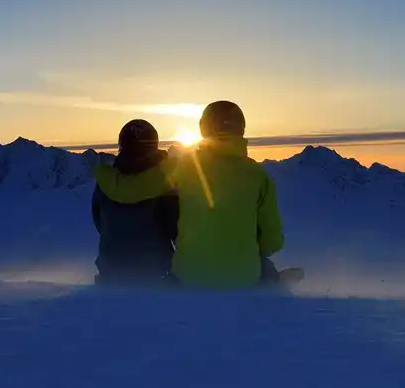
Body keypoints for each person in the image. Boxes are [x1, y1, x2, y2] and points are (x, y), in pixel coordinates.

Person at [92, 100, 286, 290]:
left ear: (204, 128)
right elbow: (273, 241)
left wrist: (103, 173)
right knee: (261, 263)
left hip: (188, 277)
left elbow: (130, 191)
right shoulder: (258, 176)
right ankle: (274, 280)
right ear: (241, 129)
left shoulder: (183, 167)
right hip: (245, 278)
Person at [91, 119, 178, 284]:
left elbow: (99, 222)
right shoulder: (165, 181)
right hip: (157, 273)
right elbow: (174, 227)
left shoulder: (106, 181)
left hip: (110, 274)